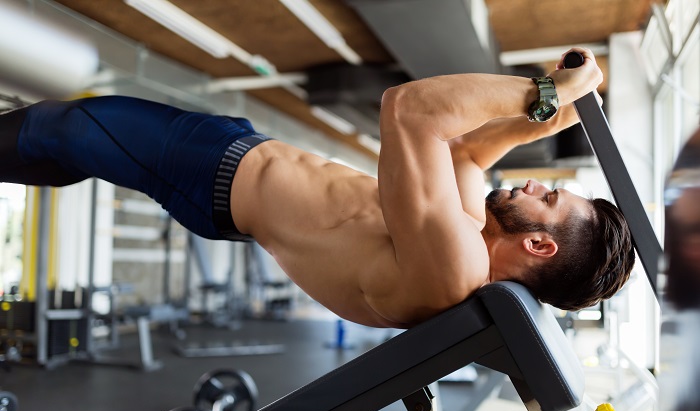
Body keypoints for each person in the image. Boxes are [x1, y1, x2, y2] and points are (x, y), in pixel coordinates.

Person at [0, 47, 634, 328]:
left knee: (67, 128)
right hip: (238, 154)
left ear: (540, 248)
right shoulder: (470, 233)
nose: (532, 186)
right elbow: (468, 149)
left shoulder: (455, 269)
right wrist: (552, 112)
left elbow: (409, 110)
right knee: (68, 138)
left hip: (215, 175)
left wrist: (546, 95)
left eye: (547, 201)